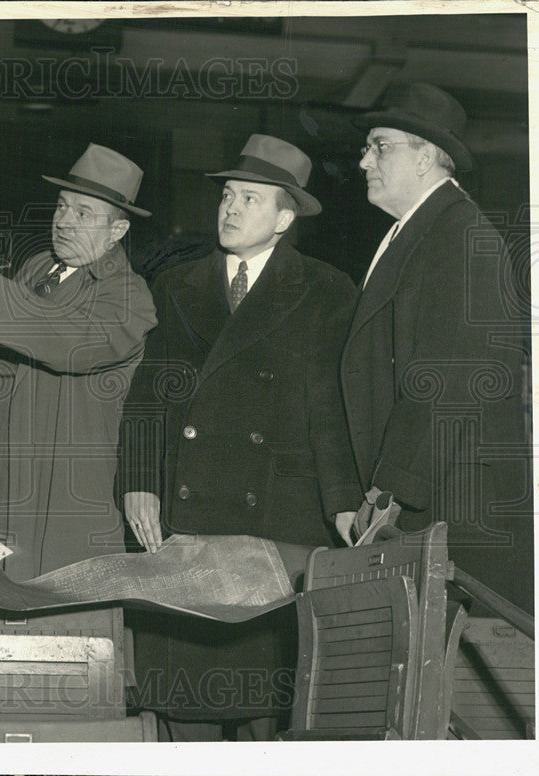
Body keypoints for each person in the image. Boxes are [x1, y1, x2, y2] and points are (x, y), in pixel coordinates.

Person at [117, 135, 361, 739]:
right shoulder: (176, 286)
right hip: (187, 513)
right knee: (185, 706)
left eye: (250, 198)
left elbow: (332, 411)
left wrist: (343, 506)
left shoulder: (328, 291)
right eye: (227, 194)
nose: (229, 208)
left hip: (278, 521)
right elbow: (149, 397)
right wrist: (140, 483)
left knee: (265, 705)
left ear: (284, 217)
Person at [341, 83, 532, 612]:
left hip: (448, 507)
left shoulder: (459, 235)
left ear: (425, 157)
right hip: (428, 499)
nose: (363, 161)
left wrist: (386, 495)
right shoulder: (420, 230)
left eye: (380, 146)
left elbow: (447, 379)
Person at [0, 143, 157, 580]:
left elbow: (70, 341)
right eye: (62, 206)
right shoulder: (38, 268)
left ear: (118, 231)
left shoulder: (130, 297)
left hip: (59, 507)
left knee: (57, 633)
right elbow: (11, 353)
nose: (63, 221)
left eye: (83, 213)